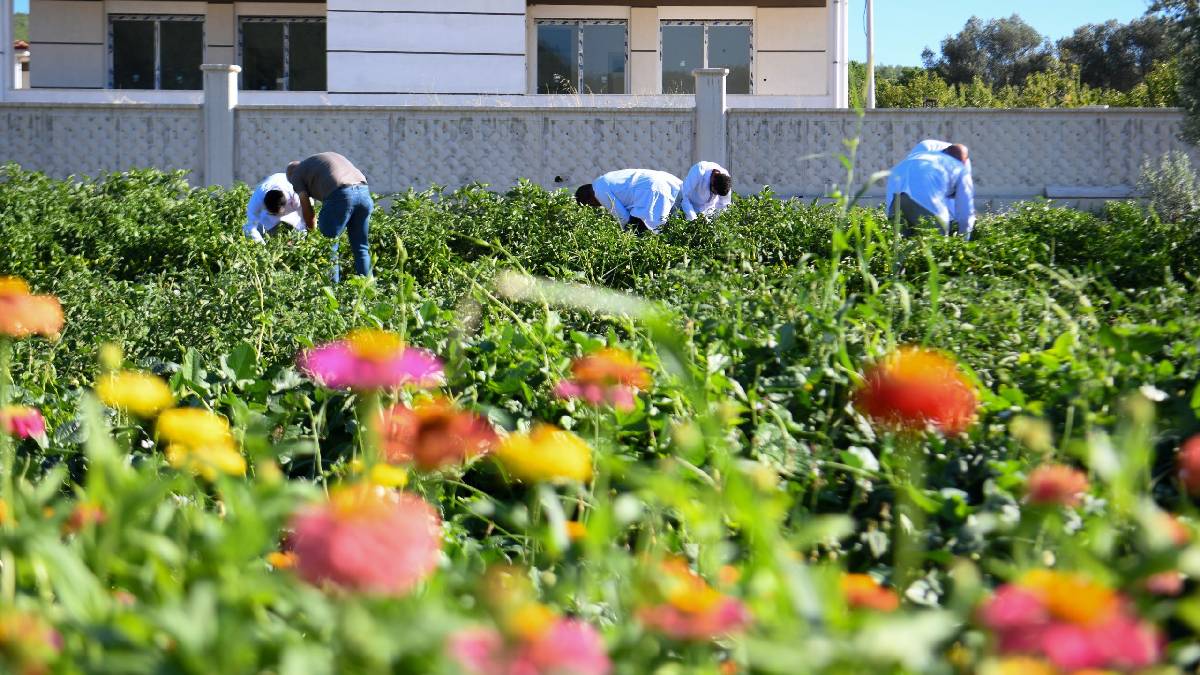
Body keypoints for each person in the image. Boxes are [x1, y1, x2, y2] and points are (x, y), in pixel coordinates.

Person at [287, 152, 373, 281]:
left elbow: (306, 207)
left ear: (291, 176)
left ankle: (333, 291)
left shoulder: (296, 175)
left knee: (329, 245)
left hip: (341, 195)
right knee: (361, 247)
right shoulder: (315, 164)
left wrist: (312, 232)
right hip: (364, 192)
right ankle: (369, 290)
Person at [885, 143, 975, 240]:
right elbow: (965, 213)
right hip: (924, 199)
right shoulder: (959, 168)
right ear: (965, 161)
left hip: (896, 195)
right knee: (936, 244)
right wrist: (964, 241)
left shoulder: (925, 155)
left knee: (899, 245)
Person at [575, 169, 683, 234]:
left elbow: (623, 217)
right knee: (679, 221)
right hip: (665, 180)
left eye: (592, 205)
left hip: (650, 191)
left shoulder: (599, 191)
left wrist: (625, 235)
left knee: (644, 232)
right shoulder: (603, 180)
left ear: (589, 200)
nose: (598, 206)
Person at [244, 172, 305, 243]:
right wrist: (262, 248)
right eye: (273, 214)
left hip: (291, 200)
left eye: (277, 214)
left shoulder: (295, 194)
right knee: (262, 226)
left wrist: (300, 240)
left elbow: (304, 218)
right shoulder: (257, 200)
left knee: (298, 226)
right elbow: (250, 226)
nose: (277, 216)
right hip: (267, 214)